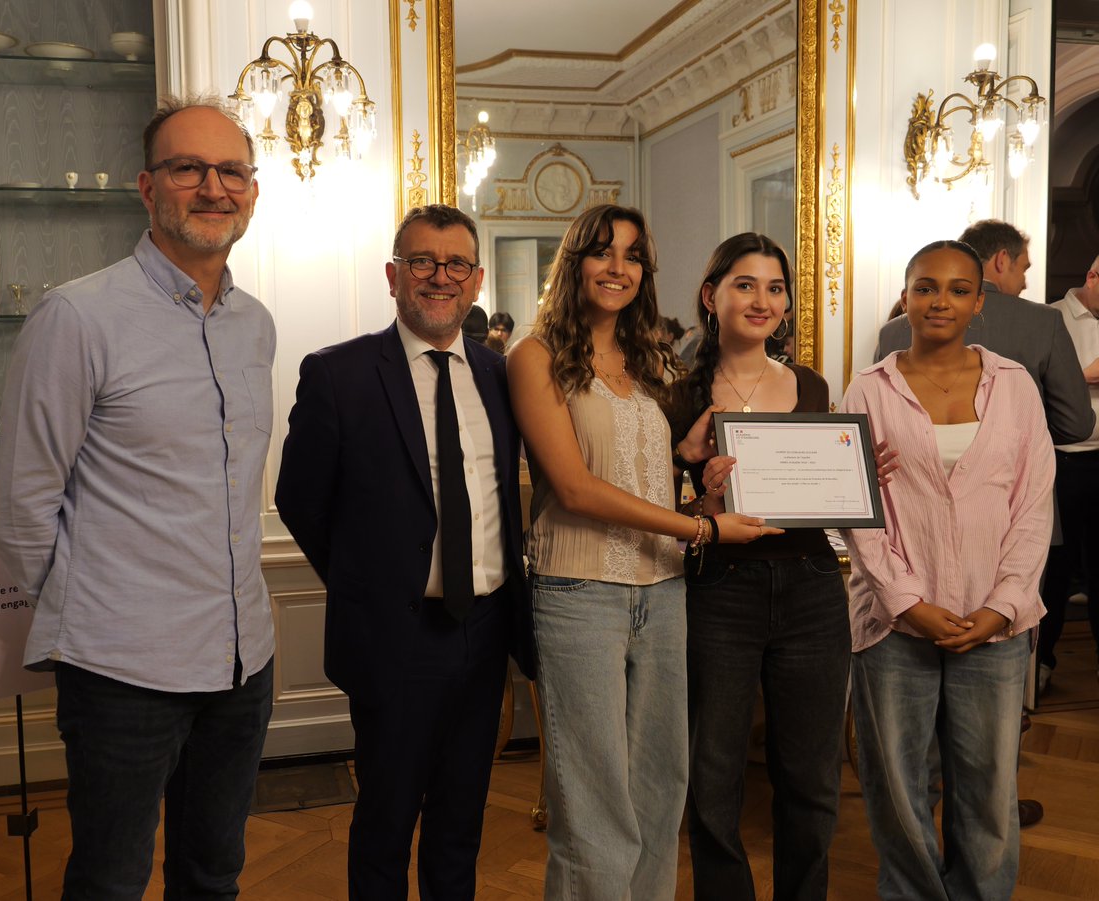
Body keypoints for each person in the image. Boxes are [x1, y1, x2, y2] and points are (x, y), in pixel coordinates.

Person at [0, 97, 275, 899]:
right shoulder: (78, 316)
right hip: (123, 671)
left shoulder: (256, 325)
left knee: (214, 874)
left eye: (232, 171)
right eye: (188, 168)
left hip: (241, 662)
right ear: (148, 188)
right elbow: (18, 503)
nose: (212, 187)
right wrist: (102, 606)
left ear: (253, 191)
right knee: (110, 882)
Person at [507, 204, 779, 901]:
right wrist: (702, 532)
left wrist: (701, 500)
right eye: (602, 251)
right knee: (595, 800)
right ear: (575, 262)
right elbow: (573, 487)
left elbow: (649, 492)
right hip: (578, 592)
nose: (618, 266)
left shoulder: (651, 360)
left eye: (632, 255)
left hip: (663, 592)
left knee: (661, 788)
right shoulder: (535, 356)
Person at [274, 204, 536, 900]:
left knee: (461, 824)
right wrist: (374, 583)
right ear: (394, 275)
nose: (438, 277)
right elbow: (301, 501)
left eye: (455, 264)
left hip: (484, 633)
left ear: (476, 280)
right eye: (422, 261)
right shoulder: (340, 374)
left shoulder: (498, 376)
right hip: (394, 636)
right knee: (386, 823)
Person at [842, 240, 1054, 901]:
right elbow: (861, 509)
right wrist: (906, 600)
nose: (940, 301)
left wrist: (1006, 603)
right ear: (905, 297)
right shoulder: (867, 388)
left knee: (988, 783)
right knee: (897, 781)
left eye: (958, 289)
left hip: (995, 621)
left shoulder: (1015, 385)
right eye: (926, 287)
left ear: (978, 301)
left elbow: (1033, 500)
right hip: (893, 621)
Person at [671, 233, 849, 901]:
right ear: (712, 295)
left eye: (776, 287)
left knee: (810, 776)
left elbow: (821, 493)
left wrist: (858, 478)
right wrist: (699, 488)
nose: (763, 299)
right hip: (720, 589)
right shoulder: (677, 390)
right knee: (713, 775)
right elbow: (661, 503)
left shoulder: (810, 384)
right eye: (746, 284)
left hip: (810, 587)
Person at [875, 219, 1092, 448]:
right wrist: (1019, 439)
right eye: (1023, 268)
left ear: (978, 303)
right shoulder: (1045, 322)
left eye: (959, 291)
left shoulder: (889, 332)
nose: (1025, 282)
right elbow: (1076, 425)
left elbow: (877, 431)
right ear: (1002, 259)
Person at [1041, 259, 1099, 688]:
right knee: (1054, 568)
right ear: (1092, 277)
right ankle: (1041, 664)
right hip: (1061, 461)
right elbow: (1036, 391)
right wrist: (1089, 376)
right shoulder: (1050, 319)